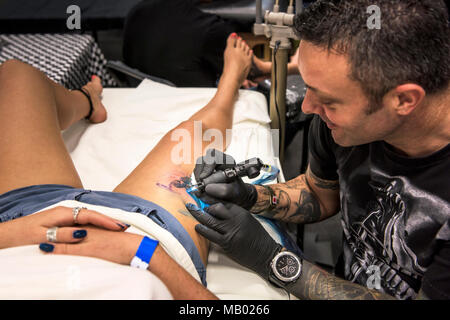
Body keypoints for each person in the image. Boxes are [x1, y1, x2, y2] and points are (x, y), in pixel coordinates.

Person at [188, 0, 450, 300]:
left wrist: (273, 260)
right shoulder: (338, 126)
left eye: (329, 101)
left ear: (403, 100)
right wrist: (249, 195)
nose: (307, 107)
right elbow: (319, 192)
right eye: (308, 86)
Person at [0, 33, 254, 300]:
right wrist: (148, 254)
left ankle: (87, 100)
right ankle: (228, 85)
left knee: (17, 76)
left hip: (25, 221)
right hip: (143, 244)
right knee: (192, 136)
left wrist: (7, 233)